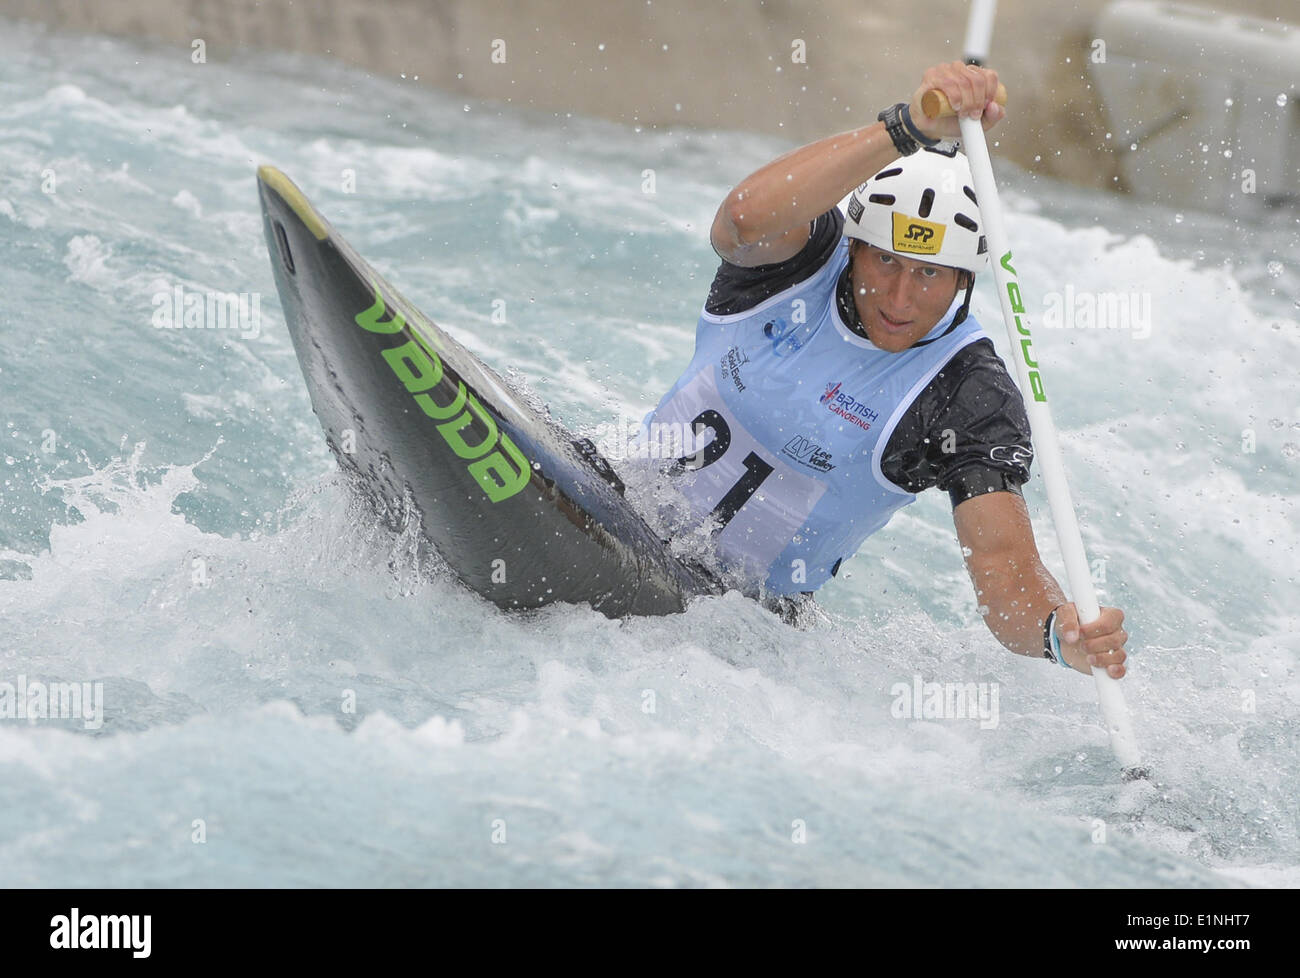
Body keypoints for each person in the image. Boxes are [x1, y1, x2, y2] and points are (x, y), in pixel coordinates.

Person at [637, 61, 1128, 678]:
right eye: (886, 263)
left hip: (736, 628)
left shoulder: (966, 395)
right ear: (853, 248)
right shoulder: (796, 266)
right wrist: (909, 127)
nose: (899, 300)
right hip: (616, 506)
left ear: (962, 281)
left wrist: (1060, 634)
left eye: (929, 274)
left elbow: (1006, 574)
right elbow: (741, 218)